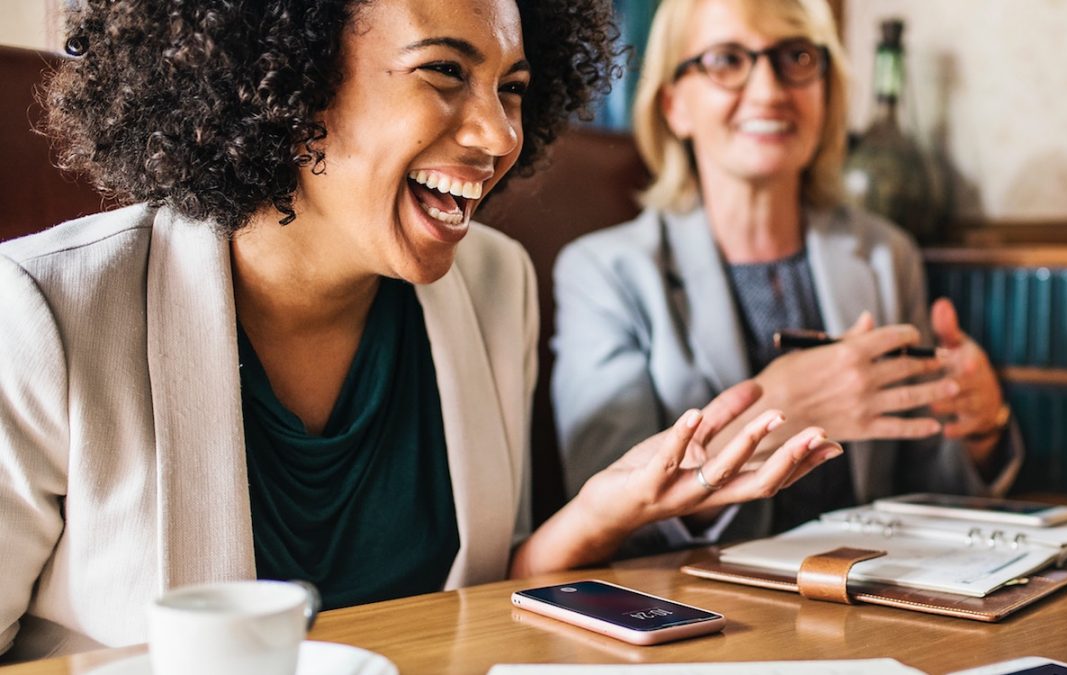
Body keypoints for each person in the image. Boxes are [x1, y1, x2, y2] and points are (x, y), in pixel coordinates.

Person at [0, 0, 843, 661]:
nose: (499, 133)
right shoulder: (44, 313)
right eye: (445, 71)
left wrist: (597, 513)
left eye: (512, 88)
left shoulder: (493, 284)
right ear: (287, 84)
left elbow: (467, 607)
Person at [551, 0, 1021, 556]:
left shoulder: (884, 254)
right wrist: (780, 411)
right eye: (727, 59)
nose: (770, 89)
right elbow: (610, 515)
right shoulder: (605, 273)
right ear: (674, 104)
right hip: (702, 615)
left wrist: (982, 426)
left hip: (875, 596)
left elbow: (925, 491)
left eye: (796, 57)